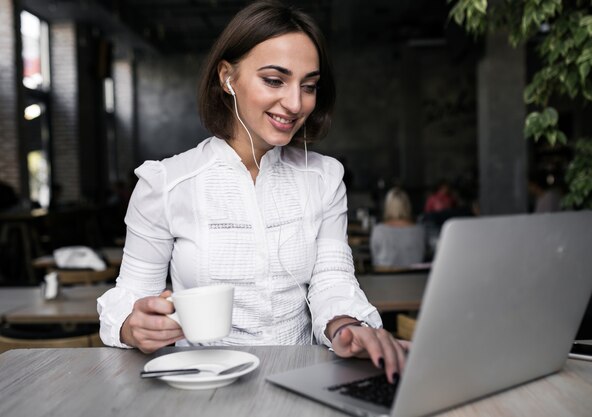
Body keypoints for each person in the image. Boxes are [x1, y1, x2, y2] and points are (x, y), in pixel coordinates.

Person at [97, 0, 408, 383]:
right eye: (275, 80)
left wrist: (346, 326)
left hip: (303, 380)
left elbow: (332, 278)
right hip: (203, 389)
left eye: (308, 86)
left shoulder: (325, 178)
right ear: (227, 77)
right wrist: (133, 324)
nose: (295, 104)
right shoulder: (165, 183)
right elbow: (130, 295)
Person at [370, 187, 426, 270]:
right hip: (414, 279)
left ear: (387, 206)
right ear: (407, 206)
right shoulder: (420, 230)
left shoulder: (378, 230)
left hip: (384, 279)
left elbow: (375, 259)